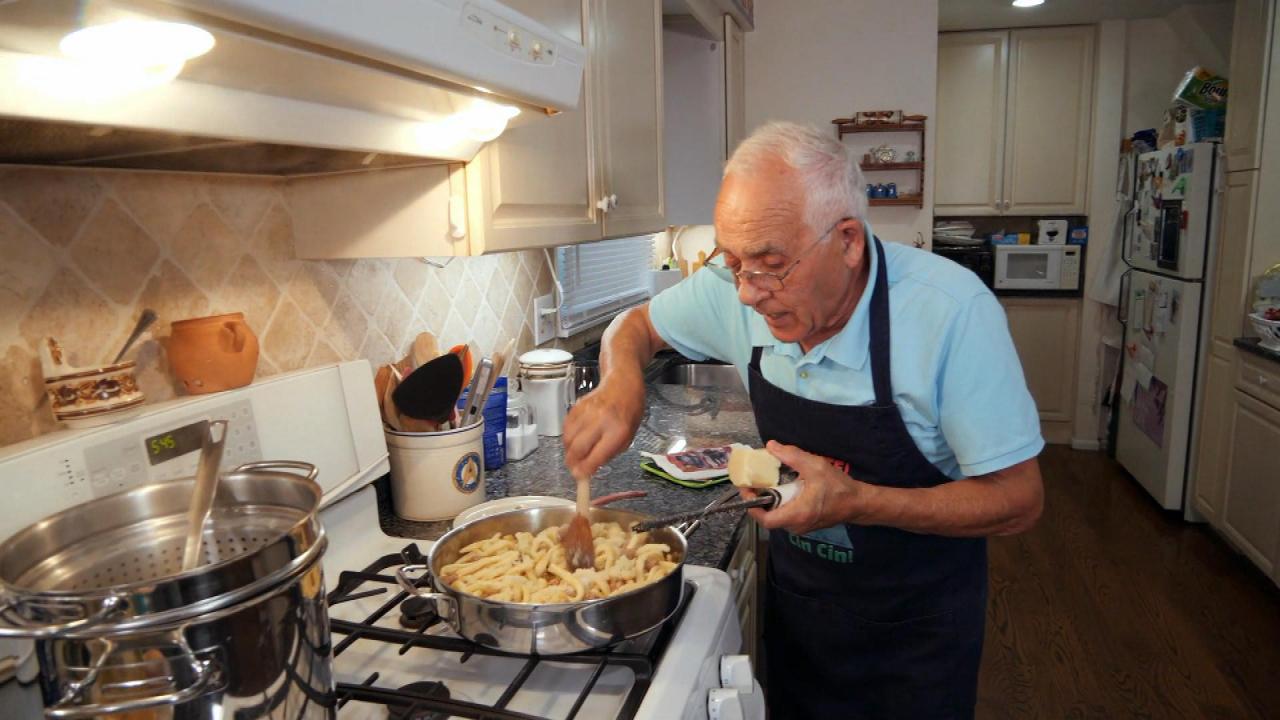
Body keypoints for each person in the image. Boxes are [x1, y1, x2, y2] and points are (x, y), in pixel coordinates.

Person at [563, 121, 1044, 719]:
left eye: (769, 265)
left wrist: (857, 501)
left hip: (916, 638)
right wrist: (620, 383)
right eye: (732, 261)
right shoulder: (736, 292)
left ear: (846, 240)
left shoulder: (952, 314)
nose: (745, 293)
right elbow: (633, 327)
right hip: (802, 618)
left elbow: (1019, 500)